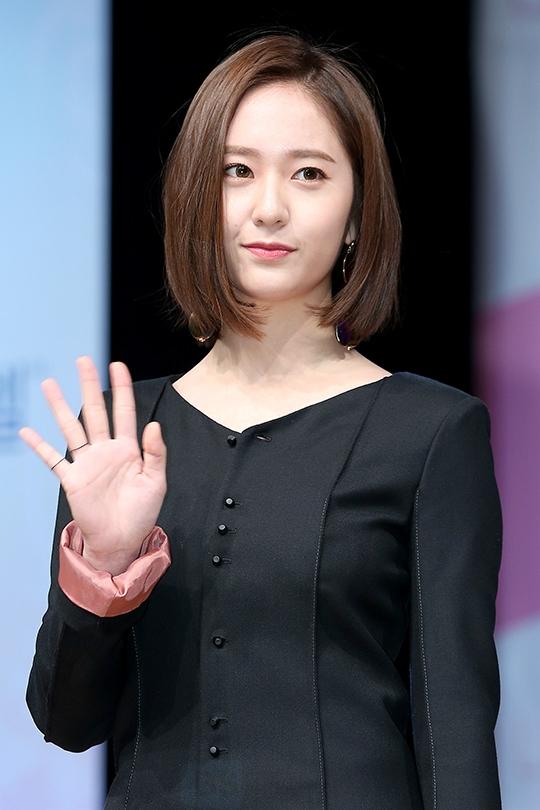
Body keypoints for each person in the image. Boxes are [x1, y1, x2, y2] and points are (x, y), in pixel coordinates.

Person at [20, 30, 503, 810]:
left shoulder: (430, 434)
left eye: (309, 174)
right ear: (195, 199)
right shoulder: (122, 433)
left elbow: (456, 736)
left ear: (356, 213)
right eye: (236, 171)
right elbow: (66, 721)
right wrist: (102, 568)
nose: (269, 207)